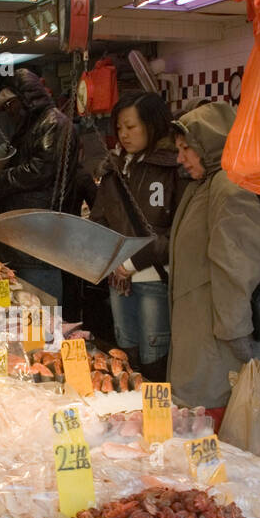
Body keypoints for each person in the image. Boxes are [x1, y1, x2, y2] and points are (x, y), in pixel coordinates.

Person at [168, 101, 260, 433]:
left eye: (187, 149)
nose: (180, 158)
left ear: (211, 144)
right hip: (210, 336)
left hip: (224, 349)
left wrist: (238, 338)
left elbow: (237, 269)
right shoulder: (210, 182)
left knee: (225, 452)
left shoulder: (232, 186)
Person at [90, 91, 186, 380]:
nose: (124, 135)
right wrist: (110, 262)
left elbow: (180, 233)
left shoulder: (175, 168)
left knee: (155, 358)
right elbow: (99, 220)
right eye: (119, 128)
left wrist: (130, 264)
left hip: (156, 278)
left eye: (131, 127)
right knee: (125, 356)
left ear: (153, 124)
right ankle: (129, 416)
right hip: (118, 280)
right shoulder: (114, 169)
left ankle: (160, 420)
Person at [0, 69, 76, 302]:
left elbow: (39, 170)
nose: (9, 111)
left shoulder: (53, 122)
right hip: (21, 233)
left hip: (39, 236)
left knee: (42, 309)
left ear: (26, 99)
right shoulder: (30, 125)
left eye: (11, 104)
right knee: (20, 310)